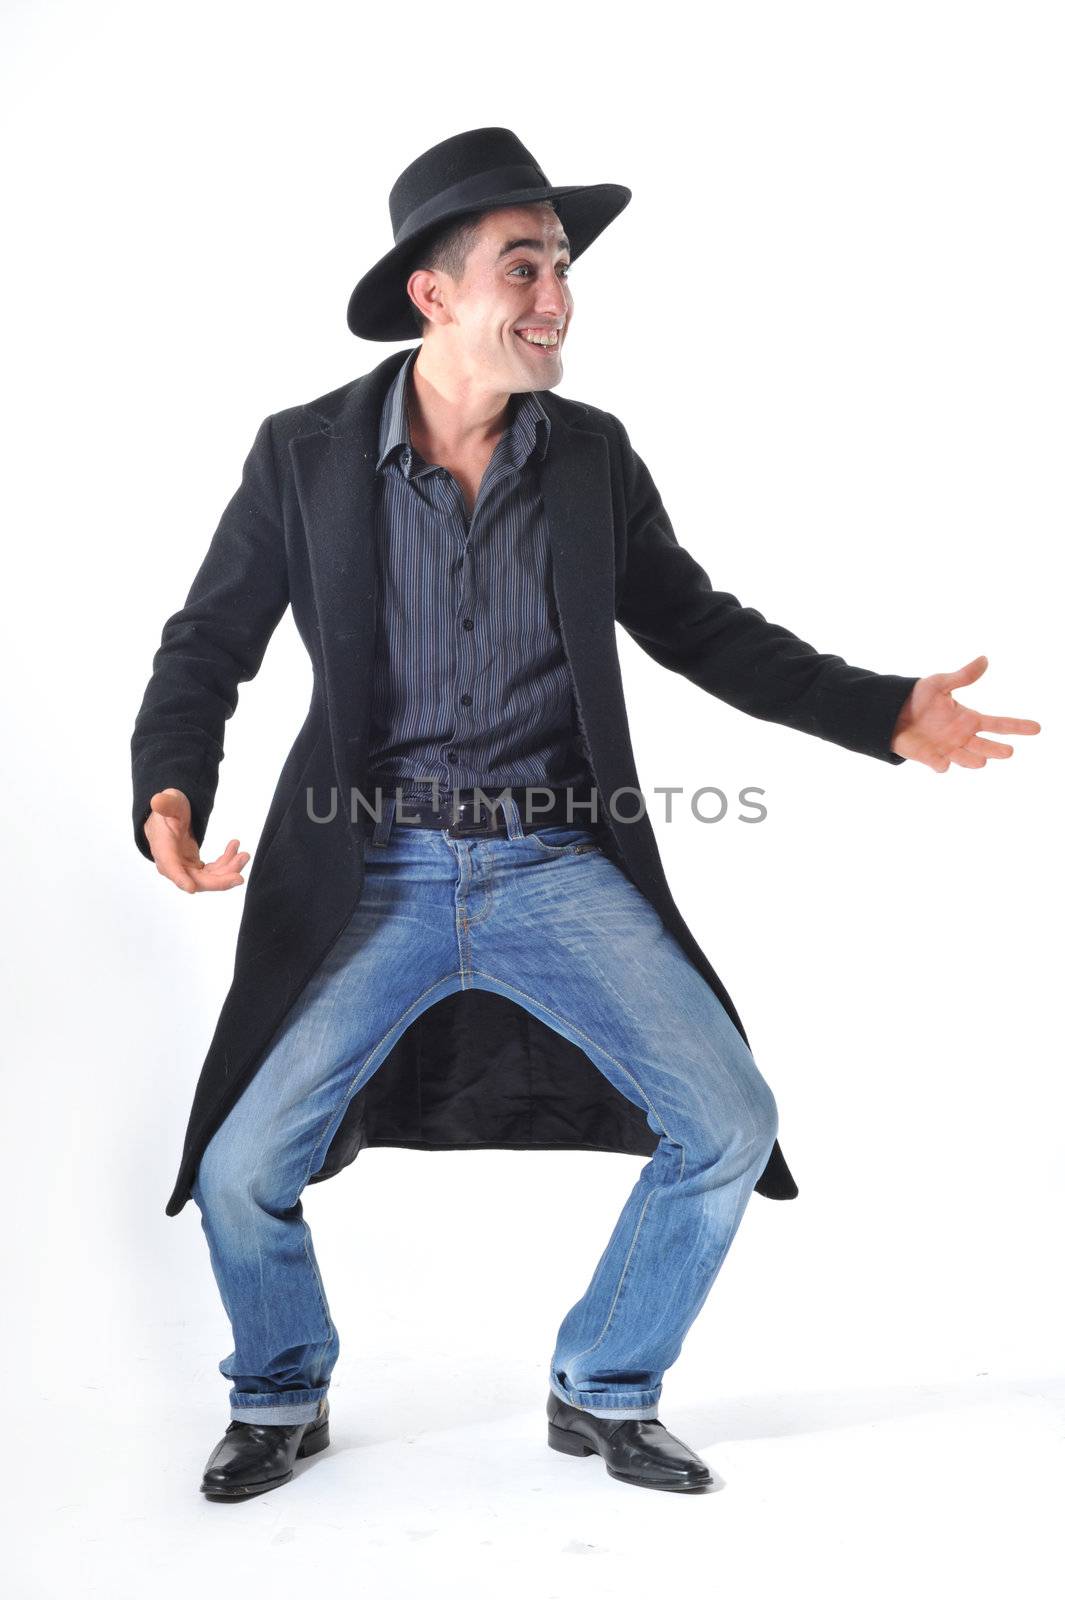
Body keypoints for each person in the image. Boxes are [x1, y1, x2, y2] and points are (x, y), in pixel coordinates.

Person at [132, 128, 1041, 1501]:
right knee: (243, 1163)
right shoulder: (305, 454)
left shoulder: (589, 459)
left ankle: (604, 1385)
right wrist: (171, 785)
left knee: (726, 1120)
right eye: (524, 265)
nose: (556, 294)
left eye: (561, 263)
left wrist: (881, 712)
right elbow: (206, 644)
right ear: (435, 294)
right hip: (371, 873)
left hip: (556, 867)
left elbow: (699, 629)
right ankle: (278, 1392)